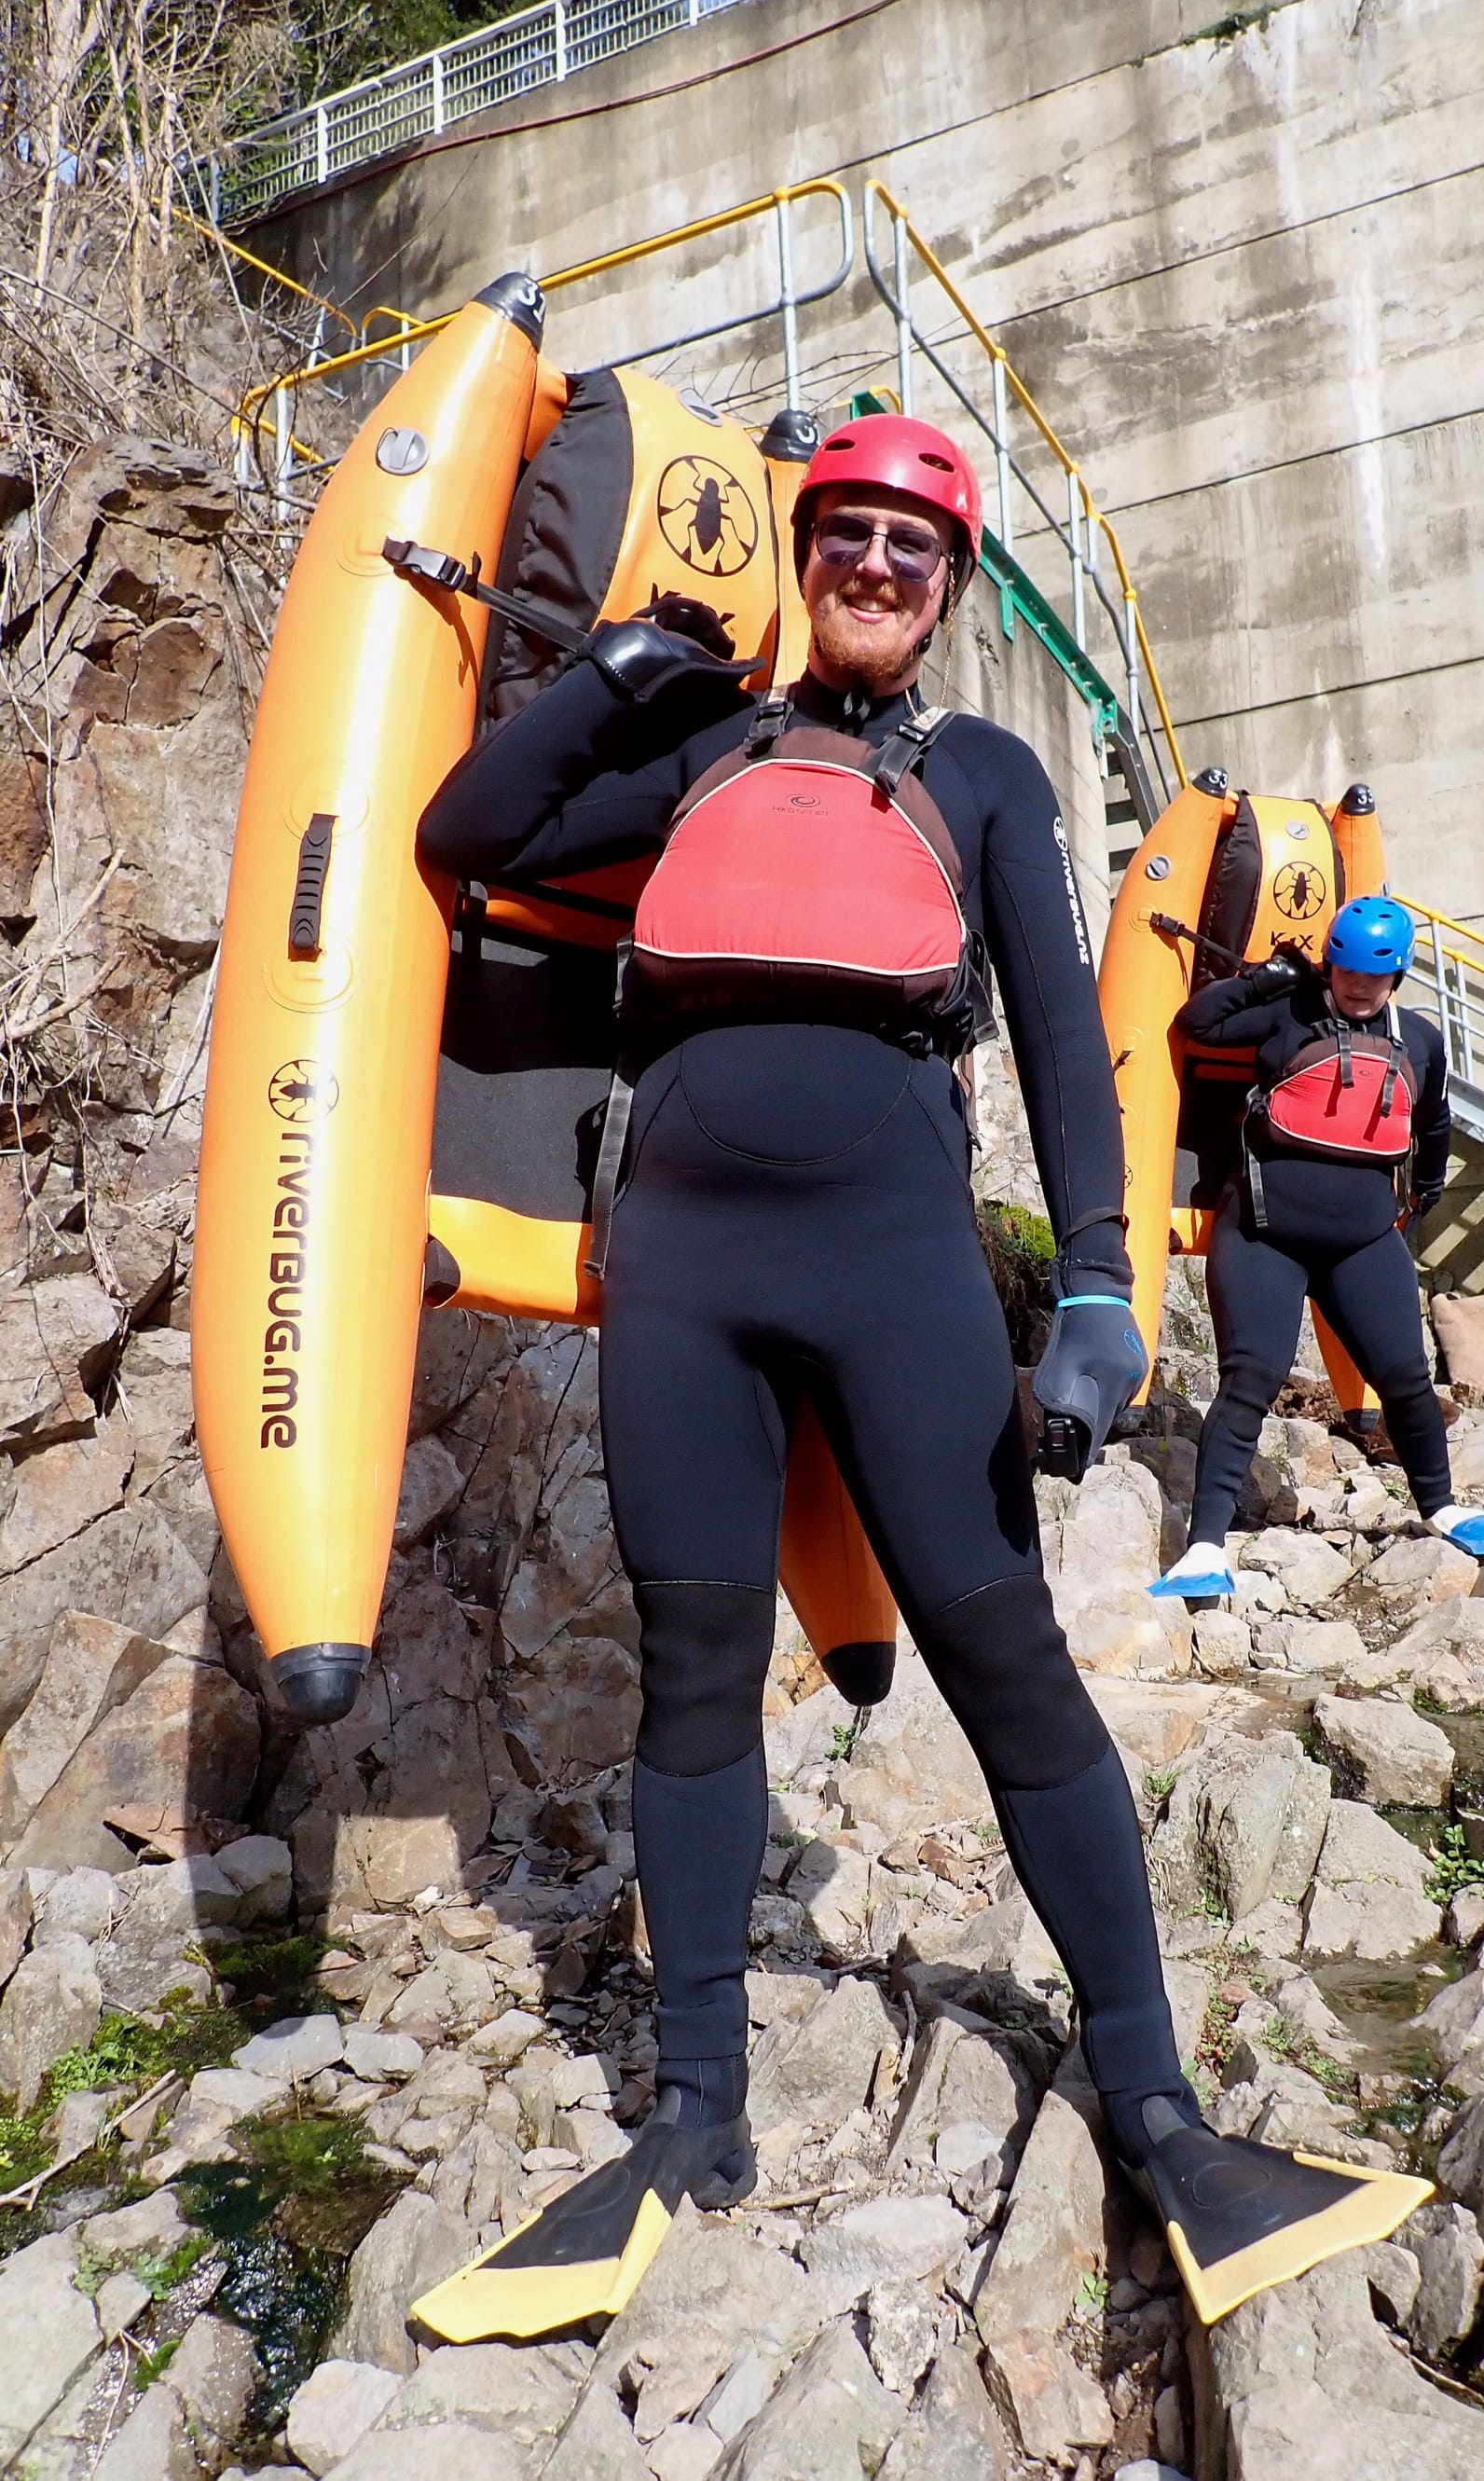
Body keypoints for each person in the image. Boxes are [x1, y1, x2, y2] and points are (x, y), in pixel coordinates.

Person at [406, 416, 1427, 2342]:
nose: (876, 567)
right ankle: (691, 2102)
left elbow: (1062, 1034)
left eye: (912, 547)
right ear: (805, 554)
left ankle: (1154, 2103)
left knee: (1006, 1660)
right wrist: (619, 675)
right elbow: (467, 839)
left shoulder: (980, 773)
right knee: (694, 1668)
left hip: (897, 1267)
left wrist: (1102, 1279)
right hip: (682, 1273)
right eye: (849, 536)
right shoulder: (703, 746)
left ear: (948, 586)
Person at [1153, 896, 1484, 1596]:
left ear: (1397, 976)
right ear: (1331, 964)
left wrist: (1426, 1191)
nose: (1358, 986)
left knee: (1407, 1378)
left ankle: (1442, 1507)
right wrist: (1266, 977)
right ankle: (1203, 1547)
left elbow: (1434, 1121)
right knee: (1251, 1378)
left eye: (1373, 976)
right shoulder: (1288, 1013)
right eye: (1347, 971)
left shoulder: (1421, 1040)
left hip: (1363, 1239)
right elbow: (1196, 1022)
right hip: (1264, 1229)